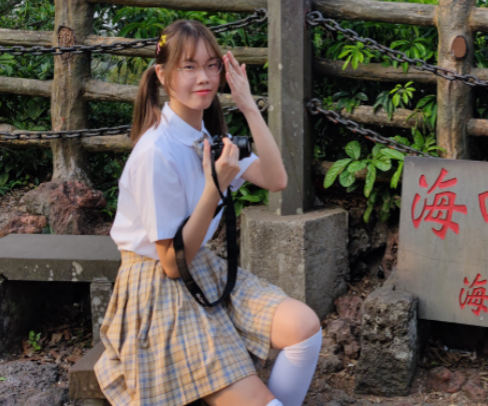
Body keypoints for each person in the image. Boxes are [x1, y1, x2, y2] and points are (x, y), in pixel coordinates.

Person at [95, 20, 322, 406]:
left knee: (305, 328)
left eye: (211, 66)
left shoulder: (208, 138)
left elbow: (276, 178)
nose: (203, 77)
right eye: (189, 67)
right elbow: (170, 263)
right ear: (162, 75)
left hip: (202, 268)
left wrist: (248, 106)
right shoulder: (156, 152)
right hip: (155, 287)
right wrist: (215, 187)